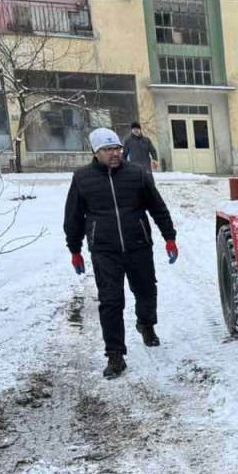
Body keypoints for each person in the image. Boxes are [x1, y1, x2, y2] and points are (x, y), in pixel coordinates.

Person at [63, 128, 178, 379]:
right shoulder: (82, 178)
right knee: (111, 301)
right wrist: (75, 250)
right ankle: (115, 354)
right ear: (96, 152)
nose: (115, 154)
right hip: (104, 250)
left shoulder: (137, 174)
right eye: (108, 150)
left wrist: (169, 237)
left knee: (146, 291)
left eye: (117, 148)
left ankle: (146, 324)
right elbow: (73, 217)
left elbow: (157, 207)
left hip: (138, 245)